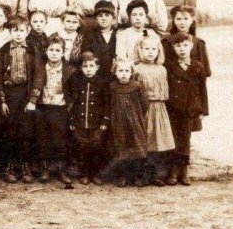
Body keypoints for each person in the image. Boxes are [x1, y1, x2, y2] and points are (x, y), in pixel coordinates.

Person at [0, 16, 37, 183]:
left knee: (26, 131)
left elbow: (39, 74)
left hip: (26, 94)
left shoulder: (33, 50)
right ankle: (9, 166)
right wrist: (3, 99)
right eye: (15, 31)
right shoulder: (3, 50)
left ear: (27, 32)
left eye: (22, 31)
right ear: (9, 32)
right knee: (10, 130)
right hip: (10, 94)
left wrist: (33, 99)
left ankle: (25, 165)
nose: (18, 34)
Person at [27, 35, 74, 186]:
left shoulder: (69, 70)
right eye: (51, 50)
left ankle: (61, 169)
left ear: (63, 52)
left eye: (57, 50)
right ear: (46, 51)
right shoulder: (41, 68)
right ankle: (45, 169)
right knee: (43, 138)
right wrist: (33, 101)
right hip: (43, 106)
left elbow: (73, 91)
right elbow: (35, 85)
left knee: (60, 139)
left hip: (60, 108)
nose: (54, 53)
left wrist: (70, 106)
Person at [165, 32, 207, 186]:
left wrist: (203, 110)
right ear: (173, 48)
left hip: (190, 109)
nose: (181, 49)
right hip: (173, 109)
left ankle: (184, 170)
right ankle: (173, 170)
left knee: (185, 140)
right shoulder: (169, 66)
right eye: (177, 46)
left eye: (185, 45)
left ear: (191, 46)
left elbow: (202, 89)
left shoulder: (197, 66)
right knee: (173, 139)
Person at [134, 35, 175, 186]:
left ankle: (155, 175)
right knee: (143, 141)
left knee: (157, 142)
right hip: (143, 108)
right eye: (147, 49)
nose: (150, 52)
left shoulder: (162, 69)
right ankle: (142, 175)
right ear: (141, 50)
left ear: (159, 51)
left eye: (154, 49)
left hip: (158, 108)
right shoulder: (137, 69)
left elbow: (165, 91)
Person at [163, 4, 211, 130]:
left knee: (186, 129)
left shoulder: (198, 43)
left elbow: (203, 74)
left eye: (185, 19)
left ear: (192, 20)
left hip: (190, 95)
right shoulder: (166, 42)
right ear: (173, 20)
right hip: (171, 92)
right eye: (178, 19)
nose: (182, 23)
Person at [65, 52, 109, 185]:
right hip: (80, 122)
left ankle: (94, 173)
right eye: (85, 67)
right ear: (80, 68)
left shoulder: (102, 83)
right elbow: (72, 103)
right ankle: (84, 173)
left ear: (97, 67)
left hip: (96, 123)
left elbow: (107, 103)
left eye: (91, 66)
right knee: (82, 147)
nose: (88, 69)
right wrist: (71, 120)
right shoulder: (76, 82)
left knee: (96, 146)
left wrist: (105, 120)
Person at [107, 58, 149, 188]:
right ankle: (122, 176)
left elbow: (144, 104)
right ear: (115, 72)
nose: (123, 74)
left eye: (126, 71)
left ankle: (138, 176)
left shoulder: (136, 86)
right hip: (118, 122)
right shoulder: (112, 87)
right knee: (120, 147)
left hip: (134, 122)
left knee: (137, 147)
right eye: (120, 71)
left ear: (131, 72)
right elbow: (109, 104)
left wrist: (136, 116)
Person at [83, 0, 118, 82]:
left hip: (115, 76)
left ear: (113, 19)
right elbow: (85, 53)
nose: (103, 18)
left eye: (107, 15)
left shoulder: (119, 34)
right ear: (95, 19)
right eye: (100, 16)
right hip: (96, 75)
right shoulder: (90, 34)